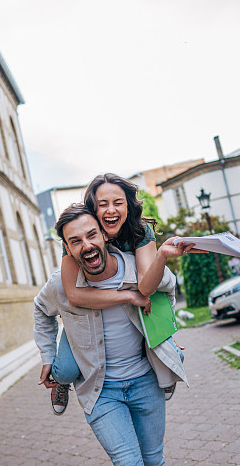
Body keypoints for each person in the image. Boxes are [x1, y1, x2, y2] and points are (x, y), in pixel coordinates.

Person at [34, 204, 188, 466]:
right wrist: (48, 355)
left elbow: (168, 289)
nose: (86, 245)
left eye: (92, 235)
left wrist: (165, 333)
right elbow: (41, 310)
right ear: (67, 249)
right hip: (101, 391)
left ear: (104, 234)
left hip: (145, 381)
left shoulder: (137, 269)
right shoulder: (61, 285)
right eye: (75, 241)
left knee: (154, 464)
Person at [46, 173, 192, 414]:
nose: (110, 210)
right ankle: (60, 383)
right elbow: (74, 295)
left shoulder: (140, 231)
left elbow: (146, 287)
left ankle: (164, 374)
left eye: (118, 203)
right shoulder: (79, 233)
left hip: (133, 301)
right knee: (67, 370)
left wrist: (162, 256)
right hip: (87, 311)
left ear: (128, 206)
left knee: (171, 354)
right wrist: (128, 296)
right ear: (93, 209)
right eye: (102, 204)